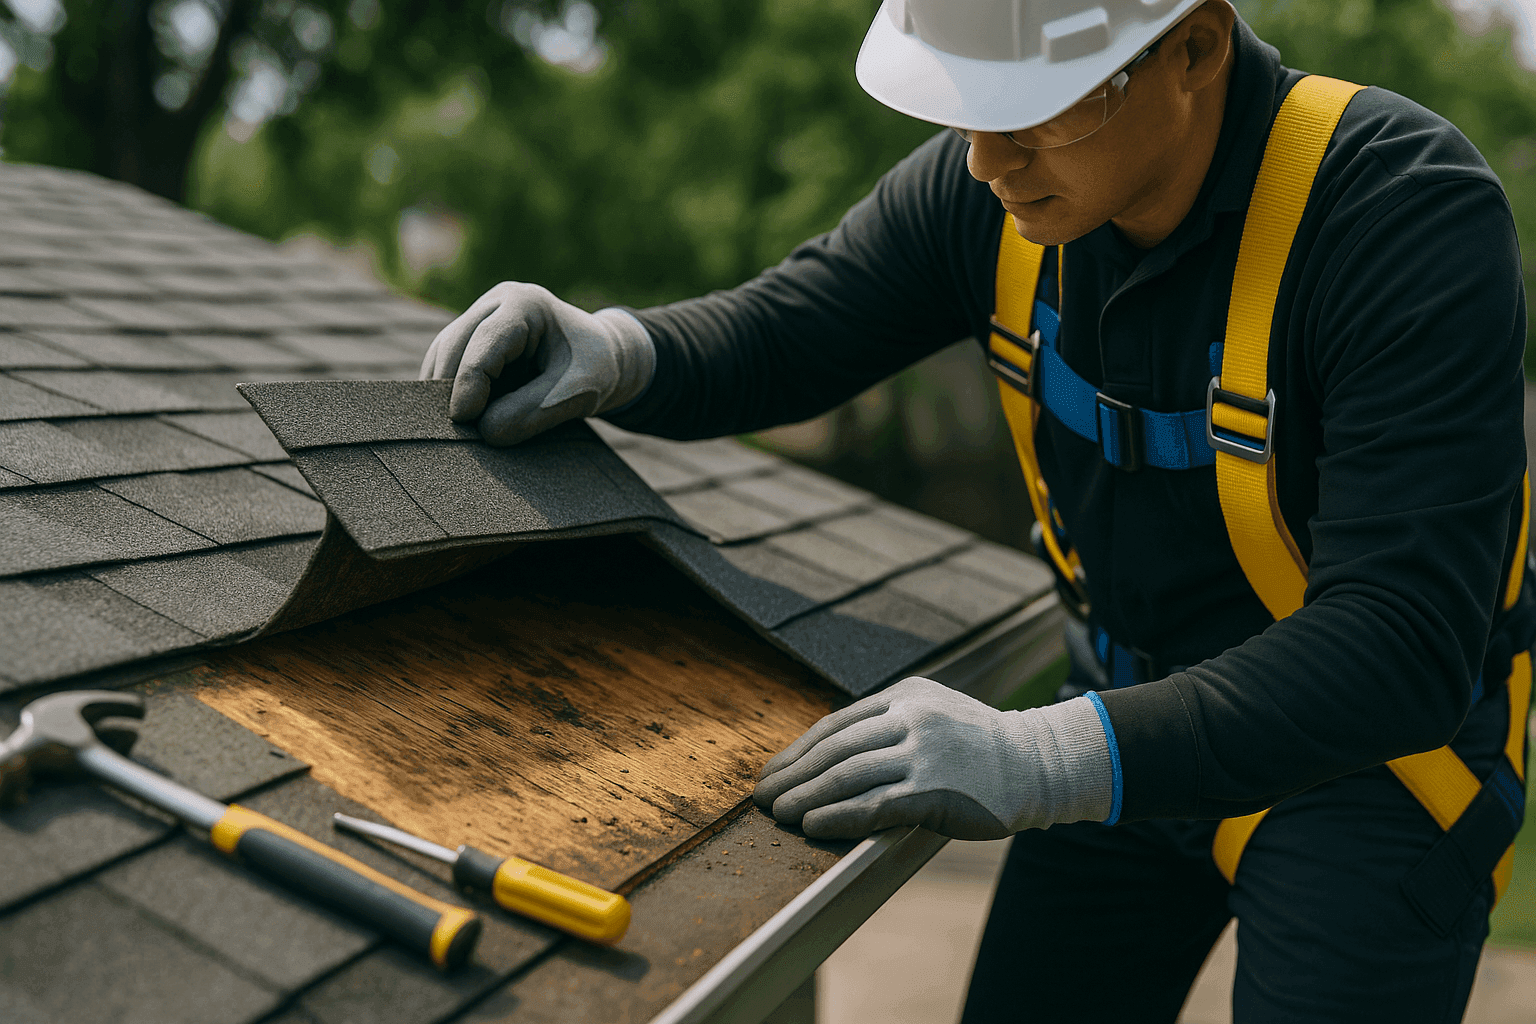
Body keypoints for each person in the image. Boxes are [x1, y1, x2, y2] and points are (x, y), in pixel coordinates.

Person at [421, 1, 1533, 1019]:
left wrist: (1043, 759)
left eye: (1033, 112)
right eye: (968, 109)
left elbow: (1400, 644)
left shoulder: (1397, 211)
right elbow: (790, 329)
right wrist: (620, 348)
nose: (987, 159)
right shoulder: (996, 194)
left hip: (1363, 768)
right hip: (1120, 718)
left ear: (1193, 47)